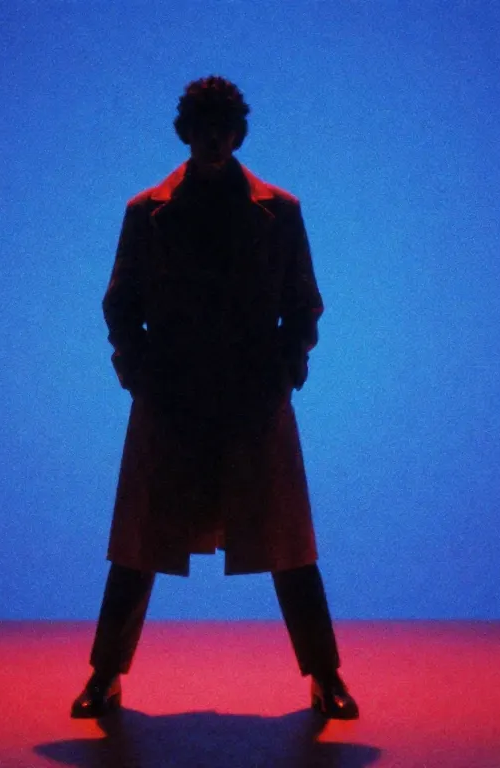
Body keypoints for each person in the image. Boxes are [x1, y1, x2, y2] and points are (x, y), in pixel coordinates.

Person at [71, 76, 358, 720]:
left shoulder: (278, 211)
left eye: (222, 126)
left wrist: (284, 373)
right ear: (186, 131)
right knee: (139, 542)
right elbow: (121, 305)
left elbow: (303, 303)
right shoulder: (147, 212)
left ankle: (326, 675)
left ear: (236, 134)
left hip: (252, 395)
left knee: (288, 542)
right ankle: (104, 675)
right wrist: (139, 376)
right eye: (202, 126)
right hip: (172, 394)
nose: (212, 137)